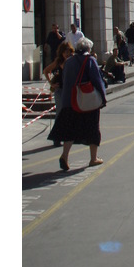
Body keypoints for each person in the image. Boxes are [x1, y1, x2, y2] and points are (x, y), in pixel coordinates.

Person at [47, 37, 107, 170]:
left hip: (71, 102)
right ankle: (93, 158)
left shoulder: (69, 62)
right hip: (87, 101)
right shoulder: (90, 60)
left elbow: (66, 81)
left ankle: (64, 156)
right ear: (88, 49)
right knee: (93, 129)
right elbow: (97, 80)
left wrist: (66, 101)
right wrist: (103, 97)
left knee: (70, 131)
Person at [43, 41, 74, 145]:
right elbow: (46, 71)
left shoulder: (73, 61)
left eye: (69, 51)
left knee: (69, 113)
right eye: (65, 52)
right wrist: (51, 84)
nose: (67, 54)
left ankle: (68, 136)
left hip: (70, 90)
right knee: (60, 113)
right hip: (60, 90)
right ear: (61, 53)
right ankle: (57, 138)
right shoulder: (58, 61)